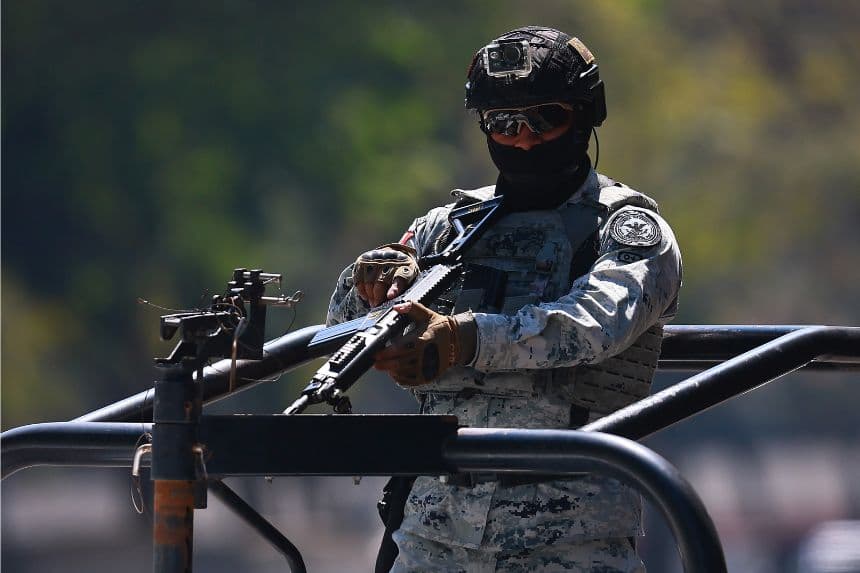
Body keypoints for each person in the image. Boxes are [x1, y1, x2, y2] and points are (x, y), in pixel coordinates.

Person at [326, 26, 682, 572]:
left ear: (586, 116)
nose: (524, 139)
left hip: (570, 542)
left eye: (546, 118)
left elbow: (593, 324)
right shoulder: (445, 231)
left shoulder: (628, 230)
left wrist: (462, 339)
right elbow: (345, 327)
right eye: (503, 122)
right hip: (433, 537)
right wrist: (369, 279)